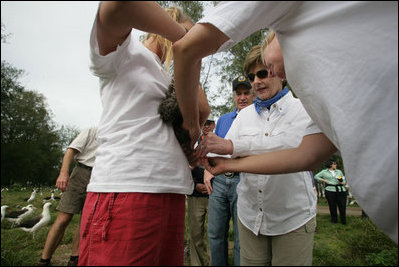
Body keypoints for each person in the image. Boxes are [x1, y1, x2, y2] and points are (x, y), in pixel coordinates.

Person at [173, 2, 398, 243]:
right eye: (252, 77)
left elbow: (186, 48)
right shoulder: (321, 97)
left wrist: (194, 127)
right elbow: (305, 156)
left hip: (294, 218)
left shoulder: (305, 102)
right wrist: (226, 164)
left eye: (266, 71)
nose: (262, 79)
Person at [79, 2, 210, 266]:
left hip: (170, 191)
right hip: (127, 189)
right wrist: (184, 37)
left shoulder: (166, 76)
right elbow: (117, 6)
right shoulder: (123, 52)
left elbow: (202, 111)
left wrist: (190, 57)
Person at [200, 45, 319, 265]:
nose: (256, 81)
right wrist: (201, 148)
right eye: (251, 76)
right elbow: (222, 155)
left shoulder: (303, 109)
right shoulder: (243, 117)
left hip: (292, 218)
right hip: (250, 217)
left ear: (281, 74)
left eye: (262, 73)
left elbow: (294, 151)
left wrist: (233, 146)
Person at [203, 75, 254, 266]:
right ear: (233, 96)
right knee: (215, 233)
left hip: (244, 180)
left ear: (252, 94)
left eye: (246, 93)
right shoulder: (223, 120)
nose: (242, 97)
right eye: (238, 93)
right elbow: (213, 150)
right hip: (220, 182)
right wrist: (208, 171)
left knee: (242, 238)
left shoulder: (257, 118)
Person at [37, 127, 98, 266]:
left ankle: (74, 258)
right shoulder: (93, 130)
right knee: (64, 218)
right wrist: (64, 173)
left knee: (86, 220)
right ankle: (44, 260)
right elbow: (70, 151)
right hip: (81, 173)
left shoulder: (116, 133)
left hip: (100, 177)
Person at [187, 118, 215, 266]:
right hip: (195, 195)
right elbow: (185, 166)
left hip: (213, 194)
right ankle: (196, 263)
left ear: (214, 126)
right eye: (205, 124)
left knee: (213, 233)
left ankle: (212, 262)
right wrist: (195, 185)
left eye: (210, 124)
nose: (207, 127)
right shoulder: (192, 142)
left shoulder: (219, 142)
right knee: (195, 233)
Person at [314, 160, 347, 225]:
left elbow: (343, 179)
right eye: (334, 164)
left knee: (342, 206)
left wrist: (342, 182)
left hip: (340, 190)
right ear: (330, 165)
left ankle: (343, 221)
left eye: (336, 164)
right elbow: (316, 176)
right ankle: (334, 220)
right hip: (330, 190)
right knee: (332, 206)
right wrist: (324, 180)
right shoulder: (324, 172)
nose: (336, 165)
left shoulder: (339, 171)